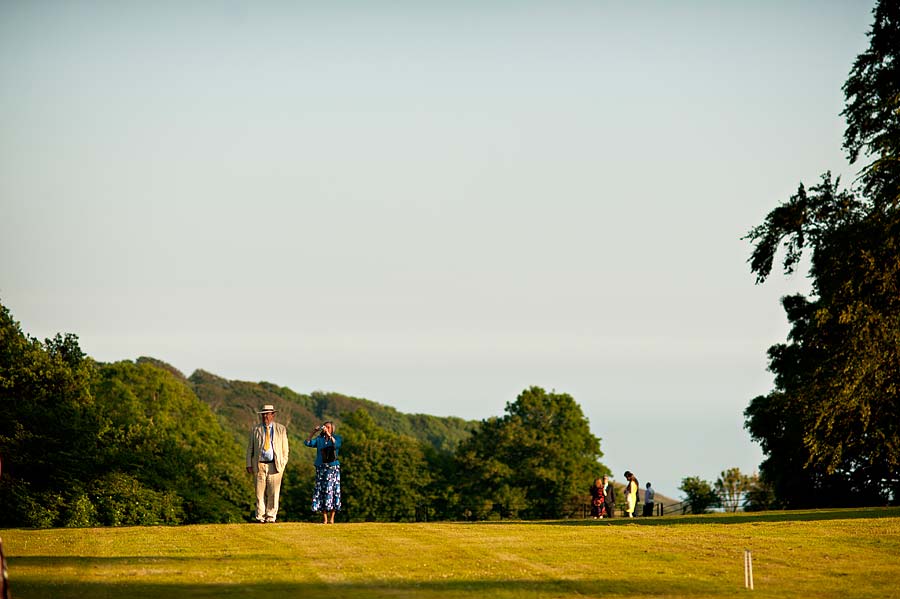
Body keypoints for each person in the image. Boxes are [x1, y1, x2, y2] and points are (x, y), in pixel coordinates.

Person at [245, 404, 290, 523]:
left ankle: (271, 517)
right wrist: (248, 464)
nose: (265, 416)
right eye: (264, 414)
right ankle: (260, 517)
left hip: (275, 465)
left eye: (268, 414)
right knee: (259, 493)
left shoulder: (281, 429)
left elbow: (286, 449)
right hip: (259, 464)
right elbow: (250, 448)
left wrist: (283, 463)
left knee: (273, 492)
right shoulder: (256, 429)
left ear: (273, 415)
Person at [305, 421, 342, 524]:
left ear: (332, 429)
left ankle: (332, 518)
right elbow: (307, 442)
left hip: (332, 468)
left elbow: (336, 445)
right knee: (322, 491)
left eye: (328, 427)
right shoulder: (319, 439)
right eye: (325, 427)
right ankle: (325, 519)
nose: (326, 429)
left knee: (333, 491)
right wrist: (314, 431)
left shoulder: (337, 438)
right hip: (321, 468)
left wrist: (329, 435)